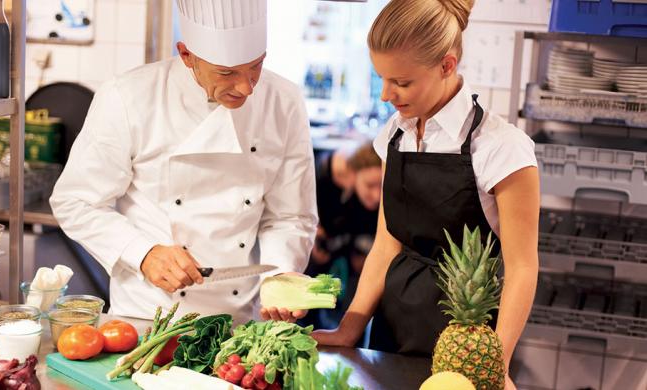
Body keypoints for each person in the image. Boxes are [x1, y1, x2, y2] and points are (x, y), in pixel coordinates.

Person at [312, 1, 540, 389]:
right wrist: (350, 329)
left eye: (401, 83)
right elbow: (387, 244)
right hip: (391, 328)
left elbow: (522, 267)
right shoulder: (394, 135)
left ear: (447, 66)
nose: (386, 95)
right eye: (382, 79)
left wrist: (495, 365)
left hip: (467, 336)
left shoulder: (503, 148)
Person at [50, 0, 317, 326]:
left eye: (256, 66)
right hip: (148, 317)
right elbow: (75, 200)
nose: (247, 87)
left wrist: (279, 279)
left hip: (241, 320)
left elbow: (290, 216)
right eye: (227, 72)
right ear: (187, 55)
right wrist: (143, 252)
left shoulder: (284, 101)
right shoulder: (128, 96)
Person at [304, 142, 381, 329]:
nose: (377, 196)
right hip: (320, 258)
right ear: (352, 175)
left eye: (382, 186)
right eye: (370, 185)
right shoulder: (322, 178)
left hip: (353, 265)